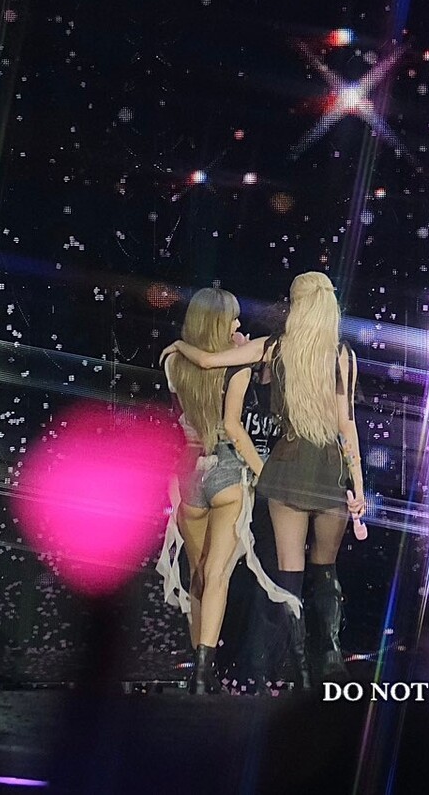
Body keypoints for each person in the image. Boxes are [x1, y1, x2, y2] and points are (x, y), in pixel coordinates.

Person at [165, 272, 369, 689]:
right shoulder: (341, 355)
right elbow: (346, 425)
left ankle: (297, 671)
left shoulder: (274, 348)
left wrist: (180, 346)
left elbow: (207, 362)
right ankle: (329, 655)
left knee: (280, 573)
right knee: (324, 568)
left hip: (277, 469)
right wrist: (359, 486)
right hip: (327, 472)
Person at [156, 288, 297, 693]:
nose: (238, 324)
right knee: (217, 574)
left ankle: (200, 674)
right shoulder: (239, 366)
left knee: (198, 573)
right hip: (227, 471)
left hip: (188, 469)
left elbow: (179, 421)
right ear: (219, 322)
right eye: (233, 318)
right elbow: (233, 428)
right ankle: (204, 673)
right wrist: (265, 475)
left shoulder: (172, 362)